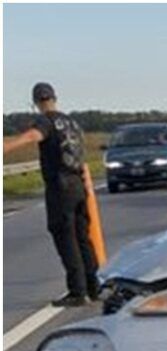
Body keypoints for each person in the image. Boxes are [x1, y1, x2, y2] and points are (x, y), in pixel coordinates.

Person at [2, 83, 99, 307]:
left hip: (60, 186)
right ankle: (93, 286)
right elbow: (80, 155)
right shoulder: (72, 123)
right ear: (55, 98)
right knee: (82, 236)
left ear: (35, 103)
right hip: (78, 184)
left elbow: (32, 136)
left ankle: (78, 290)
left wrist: (7, 146)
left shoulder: (45, 121)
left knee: (65, 236)